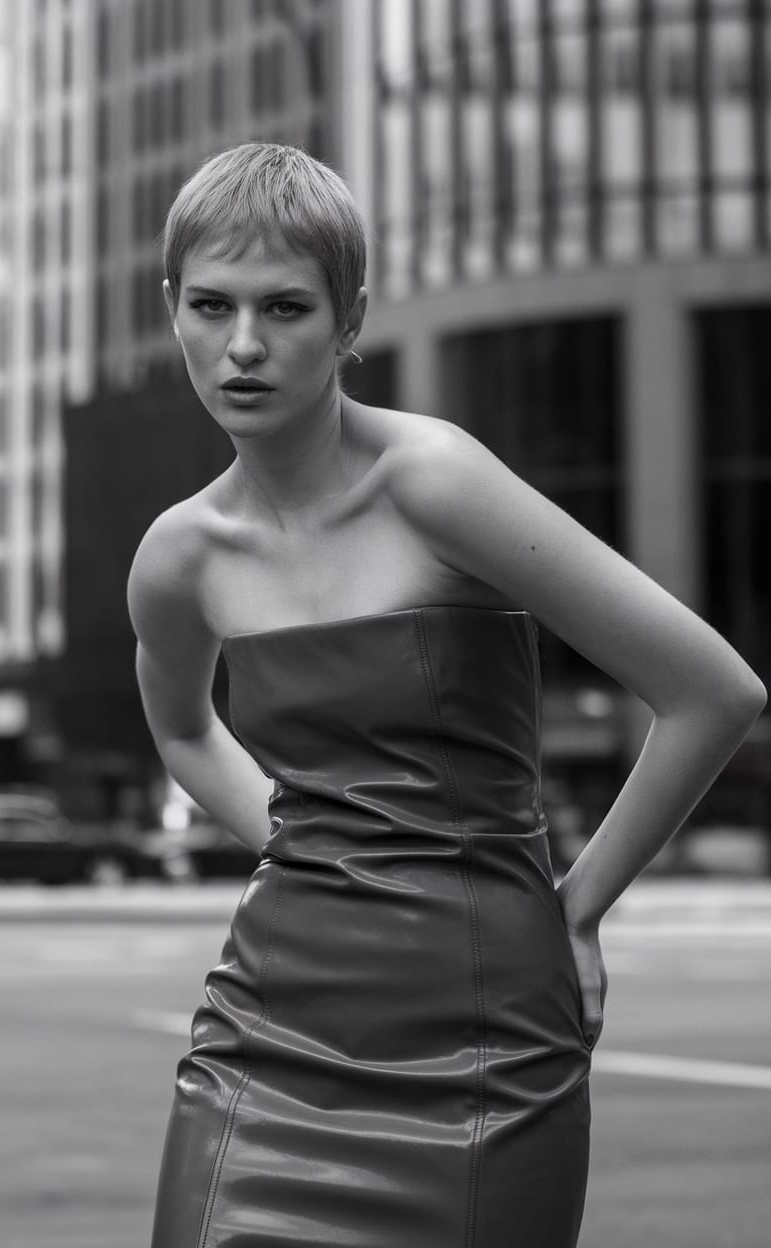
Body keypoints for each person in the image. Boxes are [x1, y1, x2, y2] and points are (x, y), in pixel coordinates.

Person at [128, 143, 765, 1248]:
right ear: (170, 309)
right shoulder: (178, 557)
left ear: (349, 318)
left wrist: (576, 908)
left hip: (487, 1045)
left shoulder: (435, 482)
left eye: (284, 307)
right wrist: (300, 839)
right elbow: (184, 729)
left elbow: (711, 691)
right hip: (265, 1039)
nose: (242, 346)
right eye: (209, 305)